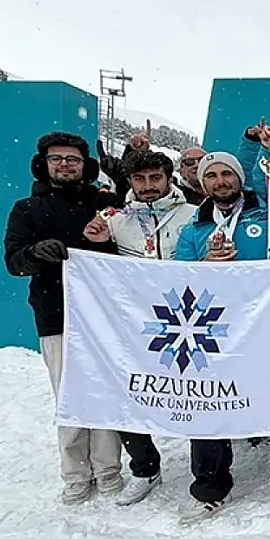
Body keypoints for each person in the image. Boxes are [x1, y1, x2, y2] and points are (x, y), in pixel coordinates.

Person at [173, 151, 270, 523]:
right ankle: (210, 485)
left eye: (226, 174)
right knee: (207, 401)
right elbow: (177, 275)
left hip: (265, 321)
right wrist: (206, 267)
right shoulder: (195, 227)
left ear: (239, 178)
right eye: (211, 176)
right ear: (202, 184)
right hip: (212, 328)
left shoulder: (265, 214)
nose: (220, 182)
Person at [4, 131, 124, 505]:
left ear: (84, 165)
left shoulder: (104, 203)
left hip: (103, 315)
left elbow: (125, 253)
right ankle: (75, 472)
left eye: (72, 159)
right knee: (69, 397)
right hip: (55, 315)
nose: (65, 165)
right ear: (44, 164)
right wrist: (36, 252)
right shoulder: (25, 209)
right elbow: (14, 260)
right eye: (57, 158)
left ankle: (107, 468)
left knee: (105, 393)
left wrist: (104, 241)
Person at [81, 150, 199, 506]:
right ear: (130, 182)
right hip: (136, 325)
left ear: (169, 178)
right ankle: (145, 467)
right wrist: (97, 243)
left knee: (199, 392)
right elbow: (102, 268)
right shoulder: (116, 220)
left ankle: (209, 472)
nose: (148, 187)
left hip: (188, 321)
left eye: (155, 179)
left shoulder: (194, 215)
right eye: (139, 179)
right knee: (129, 393)